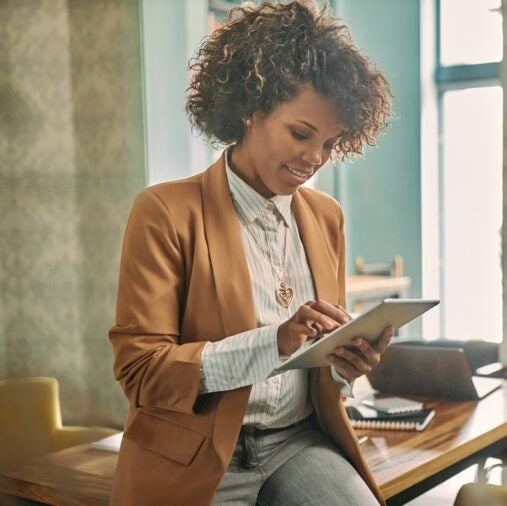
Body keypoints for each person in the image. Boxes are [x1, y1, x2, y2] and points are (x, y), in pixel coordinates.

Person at [108, 2, 392, 504]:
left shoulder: (327, 217)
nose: (314, 159)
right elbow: (142, 372)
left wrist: (345, 363)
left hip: (298, 441)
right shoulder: (164, 211)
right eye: (301, 134)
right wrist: (274, 342)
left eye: (330, 143)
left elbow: (319, 371)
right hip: (197, 453)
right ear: (250, 108)